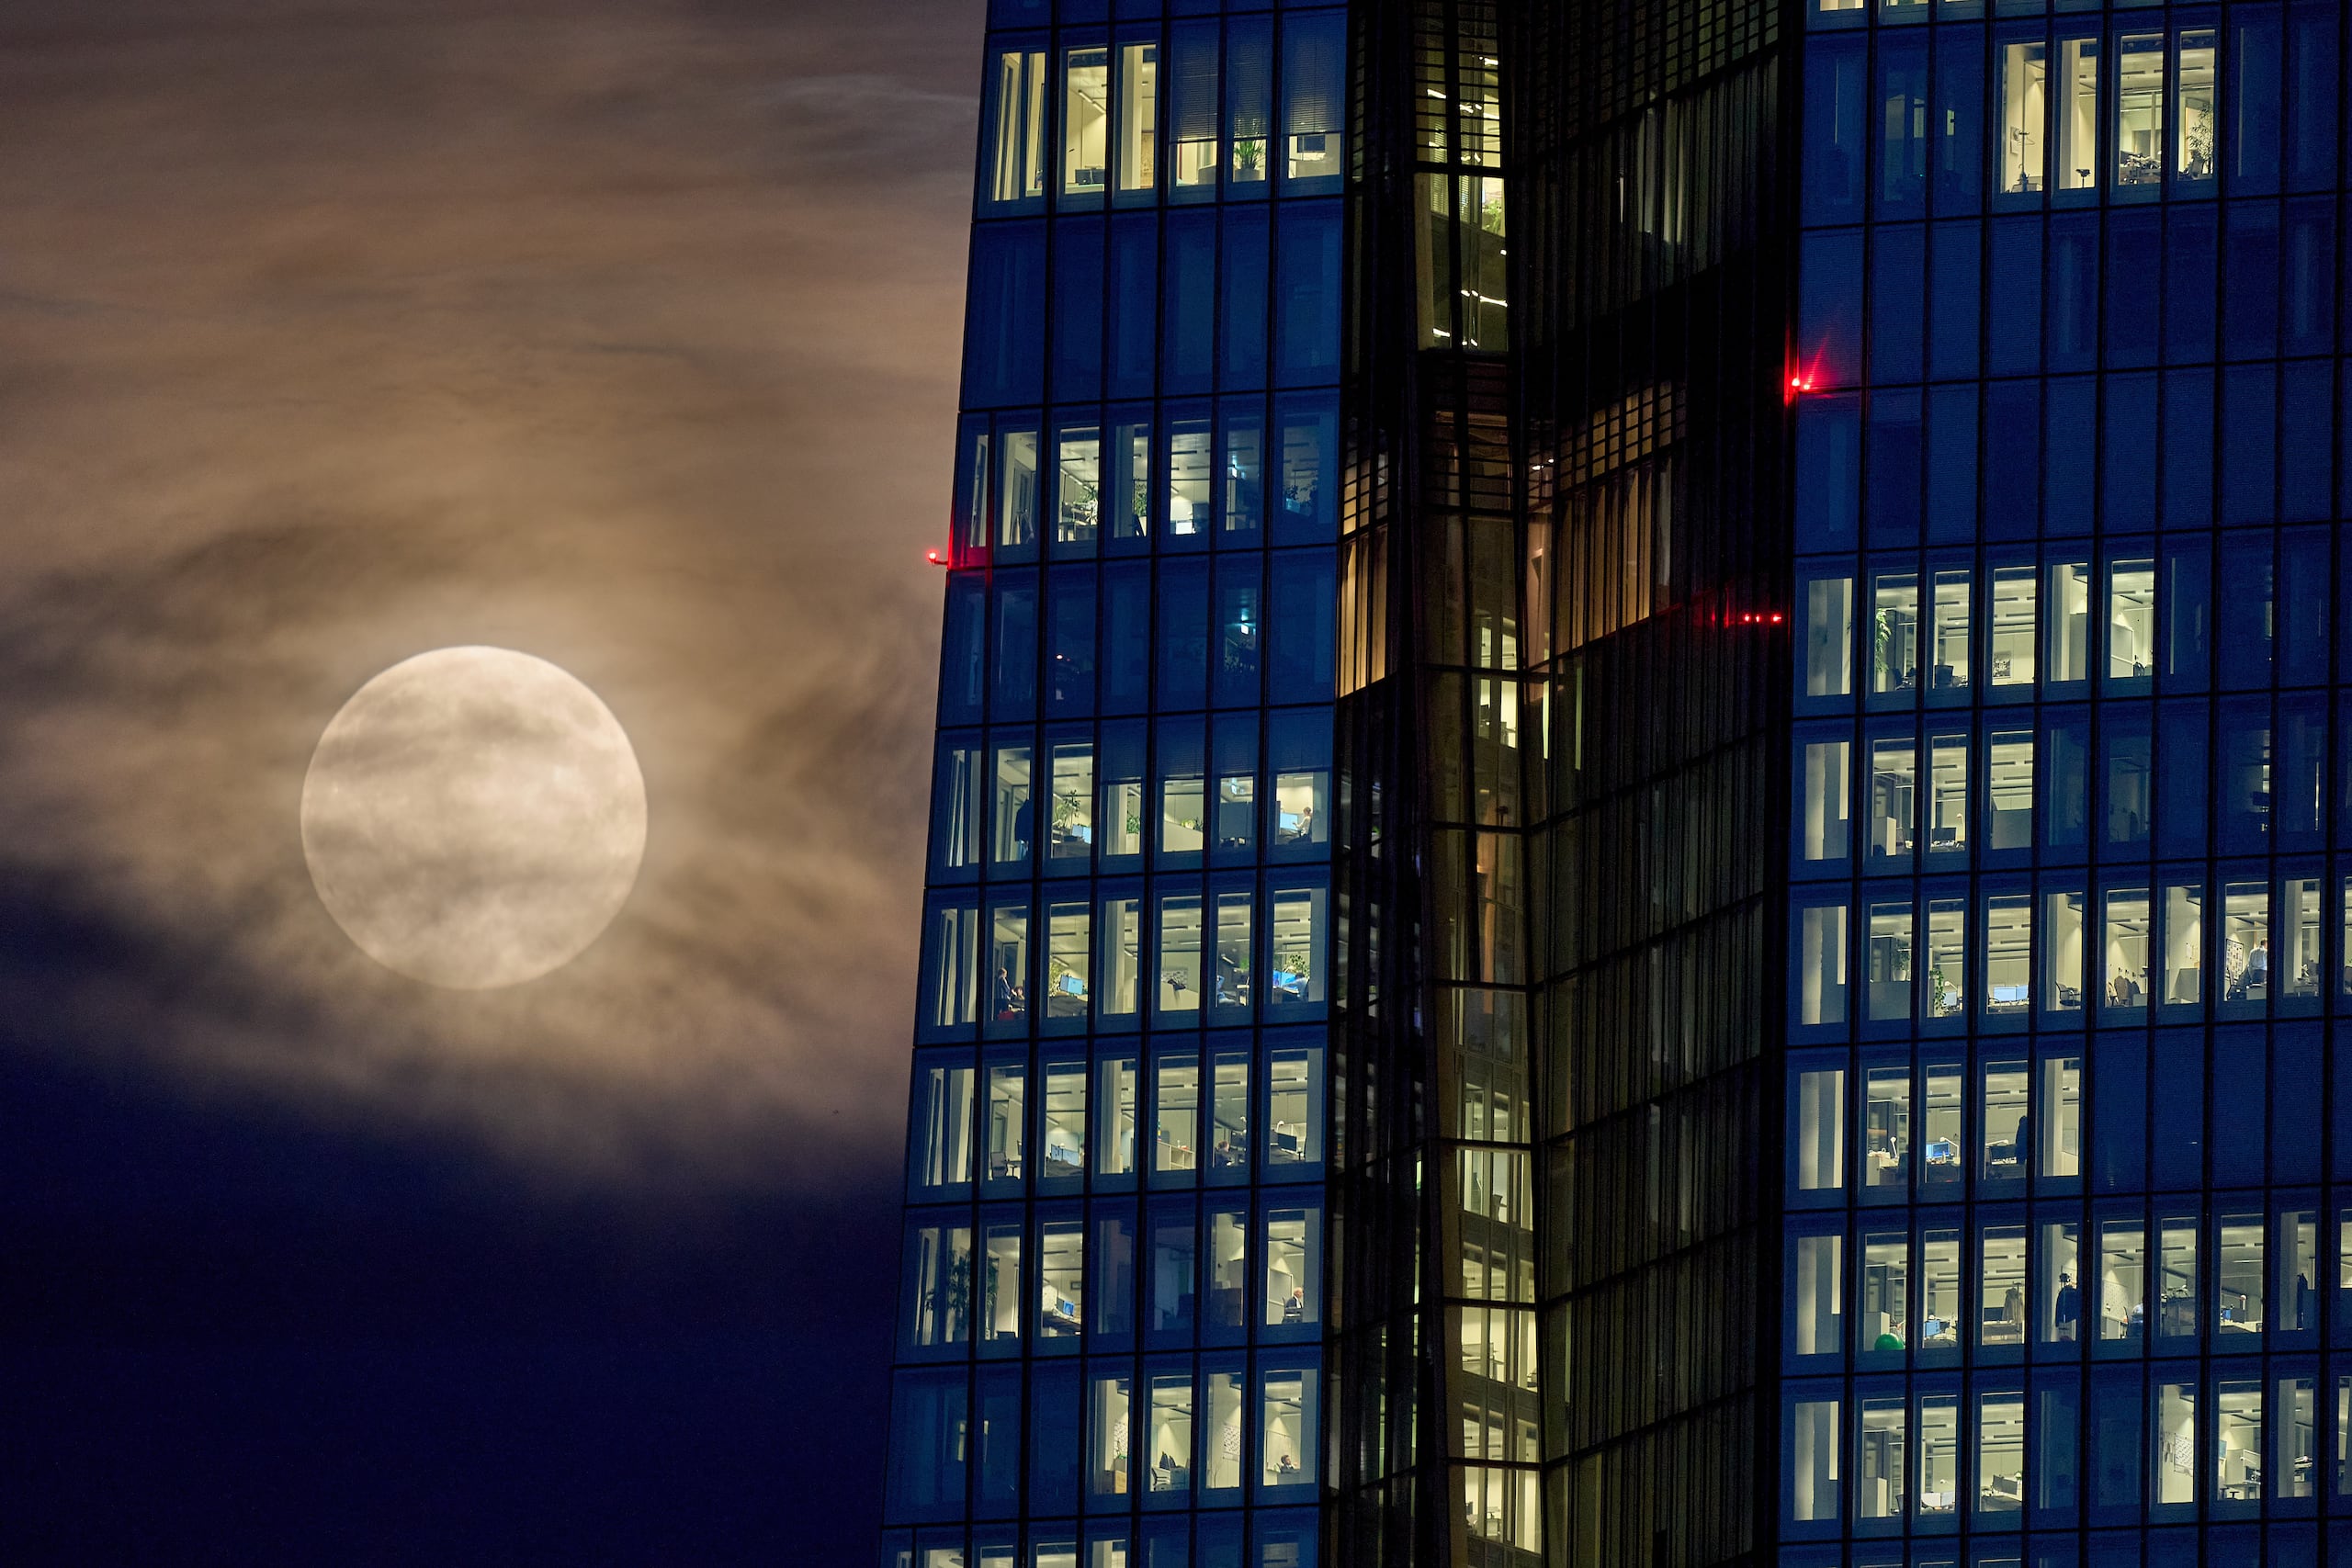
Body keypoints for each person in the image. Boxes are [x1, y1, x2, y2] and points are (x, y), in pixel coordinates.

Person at [2053, 1271, 2080, 1341]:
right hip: (2072, 1318)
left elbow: (2058, 1307)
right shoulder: (2075, 1293)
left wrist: (2057, 1321)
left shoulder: (2063, 1293)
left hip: (2065, 1318)